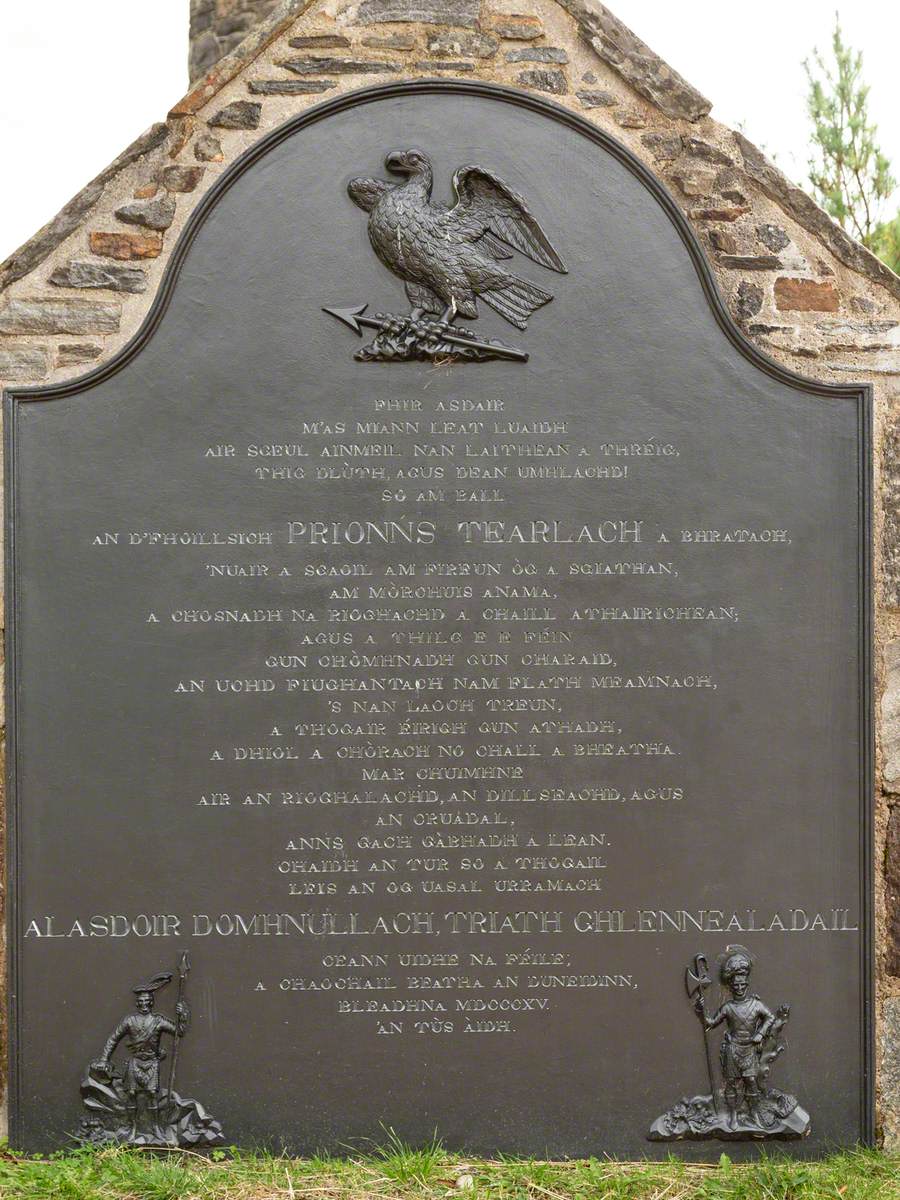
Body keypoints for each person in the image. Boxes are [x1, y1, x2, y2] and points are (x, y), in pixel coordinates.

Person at [92, 972, 188, 1142]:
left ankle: (156, 1128)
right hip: (135, 1063)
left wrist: (183, 1014)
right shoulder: (129, 1020)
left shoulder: (158, 1021)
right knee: (131, 1095)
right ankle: (132, 1128)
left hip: (152, 1063)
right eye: (141, 1002)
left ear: (151, 1003)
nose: (144, 1005)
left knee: (152, 1095)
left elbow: (179, 1033)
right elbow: (113, 1038)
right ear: (137, 1003)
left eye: (147, 1002)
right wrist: (104, 1059)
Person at [693, 948, 775, 1130]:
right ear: (731, 986)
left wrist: (760, 1033)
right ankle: (733, 1115)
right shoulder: (728, 1007)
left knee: (751, 1081)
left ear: (747, 985)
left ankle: (753, 1113)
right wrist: (701, 1011)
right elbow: (711, 1023)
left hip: (749, 1050)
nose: (739, 989)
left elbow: (770, 1017)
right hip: (732, 1049)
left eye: (742, 986)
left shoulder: (756, 1005)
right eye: (735, 986)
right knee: (731, 1084)